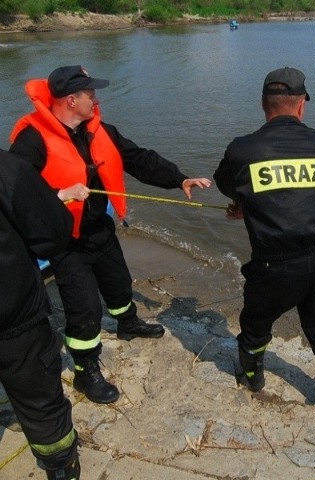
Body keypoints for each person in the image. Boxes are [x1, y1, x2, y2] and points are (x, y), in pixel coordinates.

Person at [9, 65, 211, 405]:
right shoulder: (32, 139)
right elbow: (13, 187)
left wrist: (179, 179)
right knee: (84, 306)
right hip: (65, 240)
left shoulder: (100, 129)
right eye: (90, 94)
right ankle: (86, 369)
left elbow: (138, 159)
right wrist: (58, 194)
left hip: (98, 229)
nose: (96, 99)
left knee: (118, 282)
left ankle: (128, 323)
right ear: (71, 100)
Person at [213, 67, 315, 426]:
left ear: (263, 104)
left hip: (273, 266)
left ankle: (253, 376)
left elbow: (226, 184)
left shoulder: (242, 149)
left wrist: (246, 202)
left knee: (256, 325)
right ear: (302, 105)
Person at [0, 149, 80, 479]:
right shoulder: (8, 170)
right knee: (41, 402)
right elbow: (53, 232)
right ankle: (61, 466)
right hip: (14, 319)